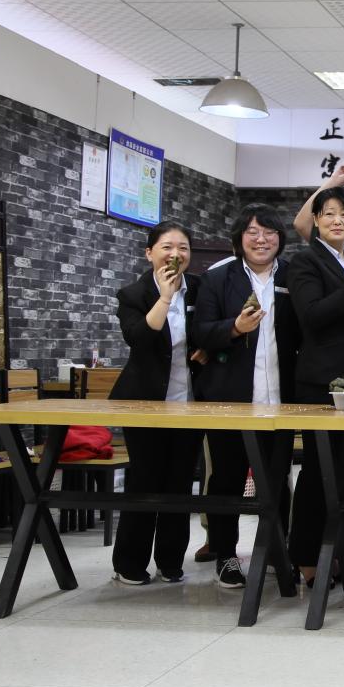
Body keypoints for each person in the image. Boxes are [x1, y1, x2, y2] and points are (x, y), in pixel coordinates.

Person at [190, 206, 298, 589]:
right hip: (230, 400)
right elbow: (200, 332)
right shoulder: (218, 278)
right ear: (240, 238)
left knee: (277, 479)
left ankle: (276, 551)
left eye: (269, 232)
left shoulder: (293, 277)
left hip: (281, 400)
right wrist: (234, 328)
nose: (261, 239)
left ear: (280, 238)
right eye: (253, 232)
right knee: (227, 478)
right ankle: (225, 554)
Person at [285, 186, 344, 587]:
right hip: (320, 383)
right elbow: (313, 315)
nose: (338, 220)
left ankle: (332, 551)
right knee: (319, 471)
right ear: (316, 220)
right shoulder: (305, 261)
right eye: (329, 213)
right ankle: (305, 556)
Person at [109, 221, 202, 586]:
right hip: (144, 402)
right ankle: (129, 562)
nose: (175, 254)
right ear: (150, 253)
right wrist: (164, 297)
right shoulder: (134, 294)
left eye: (183, 247)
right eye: (167, 247)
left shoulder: (200, 289)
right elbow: (139, 338)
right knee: (145, 480)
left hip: (189, 402)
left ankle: (170, 560)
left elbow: (209, 332)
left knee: (180, 481)